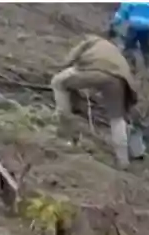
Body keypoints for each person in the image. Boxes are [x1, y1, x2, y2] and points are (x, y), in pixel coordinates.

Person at [51, 36, 139, 170]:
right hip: (117, 80)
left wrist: (62, 66)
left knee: (58, 82)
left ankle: (65, 129)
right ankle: (123, 161)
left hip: (93, 70)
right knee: (117, 120)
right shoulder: (118, 56)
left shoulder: (91, 40)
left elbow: (72, 57)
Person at [108, 2, 149, 72]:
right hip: (146, 27)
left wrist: (114, 23)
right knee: (146, 49)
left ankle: (129, 65)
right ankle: (148, 68)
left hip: (134, 26)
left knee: (129, 47)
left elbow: (122, 13)